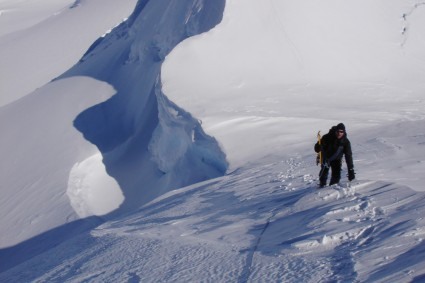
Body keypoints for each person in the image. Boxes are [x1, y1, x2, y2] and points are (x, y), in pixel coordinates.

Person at [314, 123, 355, 187]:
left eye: (341, 132)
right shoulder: (327, 137)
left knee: (336, 176)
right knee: (323, 174)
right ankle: (322, 186)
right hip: (326, 158)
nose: (339, 133)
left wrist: (351, 170)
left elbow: (348, 156)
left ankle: (332, 189)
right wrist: (318, 147)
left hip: (337, 159)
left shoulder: (345, 142)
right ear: (335, 131)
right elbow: (316, 149)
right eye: (338, 131)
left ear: (344, 132)